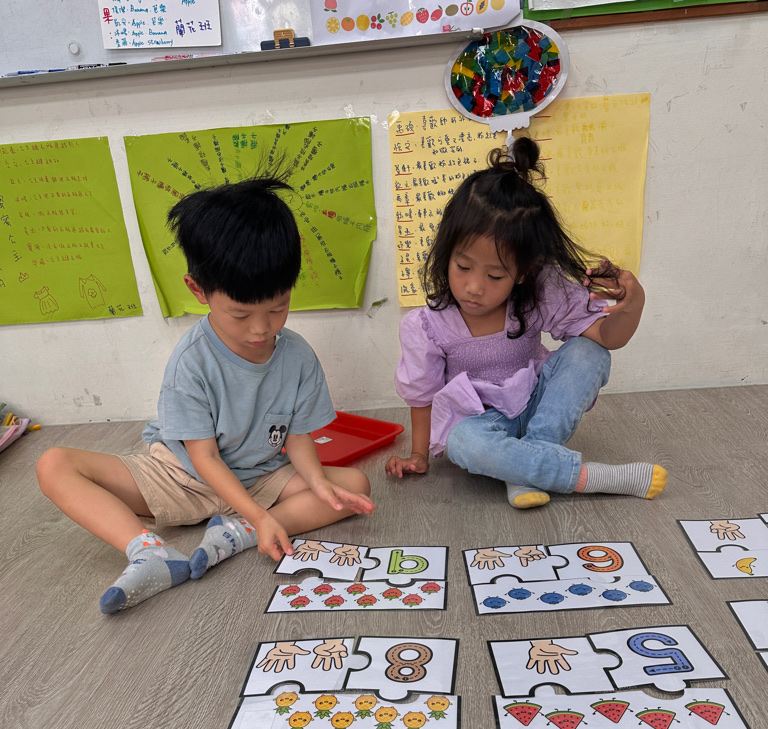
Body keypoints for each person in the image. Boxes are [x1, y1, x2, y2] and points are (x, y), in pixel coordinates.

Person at [37, 173, 375, 614]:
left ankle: (236, 532)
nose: (261, 328)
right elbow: (205, 458)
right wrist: (258, 513)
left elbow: (297, 438)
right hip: (183, 478)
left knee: (352, 486)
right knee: (54, 464)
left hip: (260, 479)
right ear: (198, 290)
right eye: (240, 314)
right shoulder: (191, 362)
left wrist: (316, 483)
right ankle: (148, 551)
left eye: (278, 307)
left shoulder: (297, 356)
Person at [385, 138, 667, 509]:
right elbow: (422, 397)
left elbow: (605, 338)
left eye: (495, 275)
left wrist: (634, 304)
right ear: (447, 251)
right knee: (461, 443)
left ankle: (525, 463)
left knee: (590, 353)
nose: (474, 287)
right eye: (463, 266)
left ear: (522, 273)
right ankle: (587, 477)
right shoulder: (426, 325)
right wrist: (419, 456)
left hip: (536, 408)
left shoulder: (540, 290)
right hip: (481, 423)